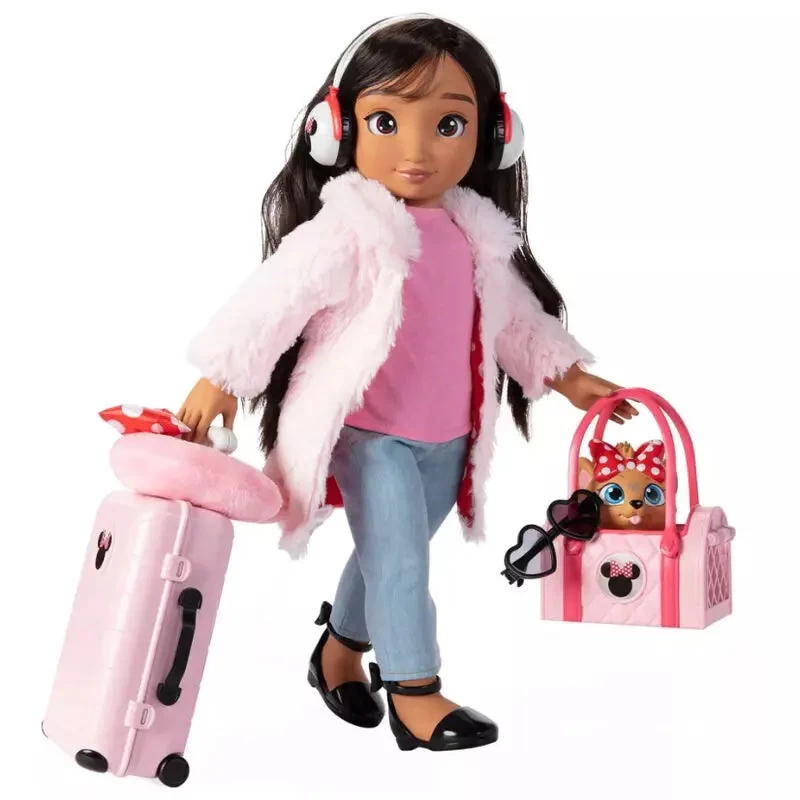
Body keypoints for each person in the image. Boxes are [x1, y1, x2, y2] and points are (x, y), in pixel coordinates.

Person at [178, 14, 637, 752]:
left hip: (450, 438)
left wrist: (570, 377)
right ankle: (415, 693)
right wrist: (224, 376)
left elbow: (514, 321)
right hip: (371, 434)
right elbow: (275, 299)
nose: (417, 151)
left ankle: (337, 652)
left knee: (387, 555)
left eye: (449, 125)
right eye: (386, 122)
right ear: (337, 129)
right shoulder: (348, 229)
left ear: (493, 135)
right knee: (400, 561)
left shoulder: (476, 231)